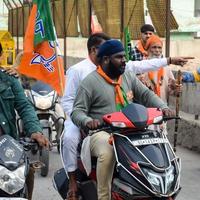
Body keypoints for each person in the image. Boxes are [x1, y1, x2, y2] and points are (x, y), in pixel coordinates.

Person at [61, 32, 191, 200]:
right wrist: (88, 121)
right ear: (106, 59)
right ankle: (104, 196)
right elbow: (77, 111)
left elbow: (146, 95)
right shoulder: (90, 82)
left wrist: (163, 107)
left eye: (124, 56)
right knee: (107, 153)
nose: (124, 61)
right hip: (101, 133)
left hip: (131, 130)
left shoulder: (127, 76)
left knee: (158, 143)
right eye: (119, 57)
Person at [0, 42, 49, 200]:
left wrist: (35, 130)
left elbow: (24, 106)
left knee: (26, 171)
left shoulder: (9, 79)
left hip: (6, 144)